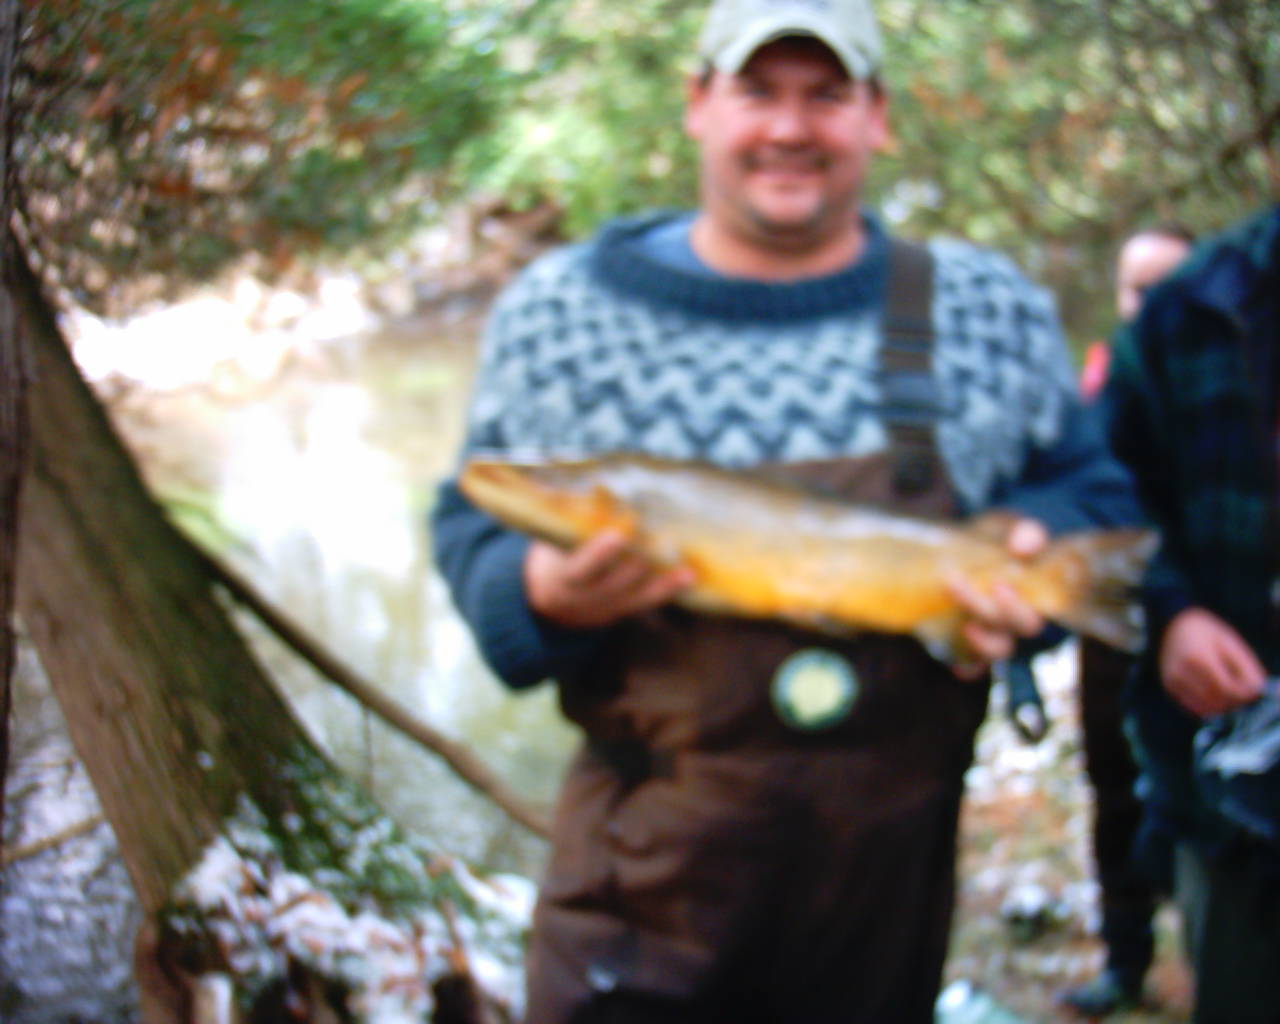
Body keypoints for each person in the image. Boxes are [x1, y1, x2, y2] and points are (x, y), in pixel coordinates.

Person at [432, 1, 1140, 1020]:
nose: (788, 127)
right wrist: (535, 590)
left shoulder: (987, 307)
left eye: (825, 94)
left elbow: (1090, 489)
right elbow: (468, 520)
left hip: (883, 895)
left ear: (876, 117)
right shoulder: (560, 310)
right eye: (757, 89)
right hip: (641, 898)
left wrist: (1035, 554)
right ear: (696, 104)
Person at [1101, 204, 1279, 1024]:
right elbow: (1103, 493)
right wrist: (1171, 611)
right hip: (1234, 780)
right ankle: (1126, 956)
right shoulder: (1191, 309)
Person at [1058, 224, 1194, 1017]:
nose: (1149, 301)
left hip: (1219, 622)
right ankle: (1125, 960)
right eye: (1135, 286)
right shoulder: (1101, 381)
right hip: (1114, 621)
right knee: (1115, 788)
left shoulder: (1238, 372)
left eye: (1166, 282)